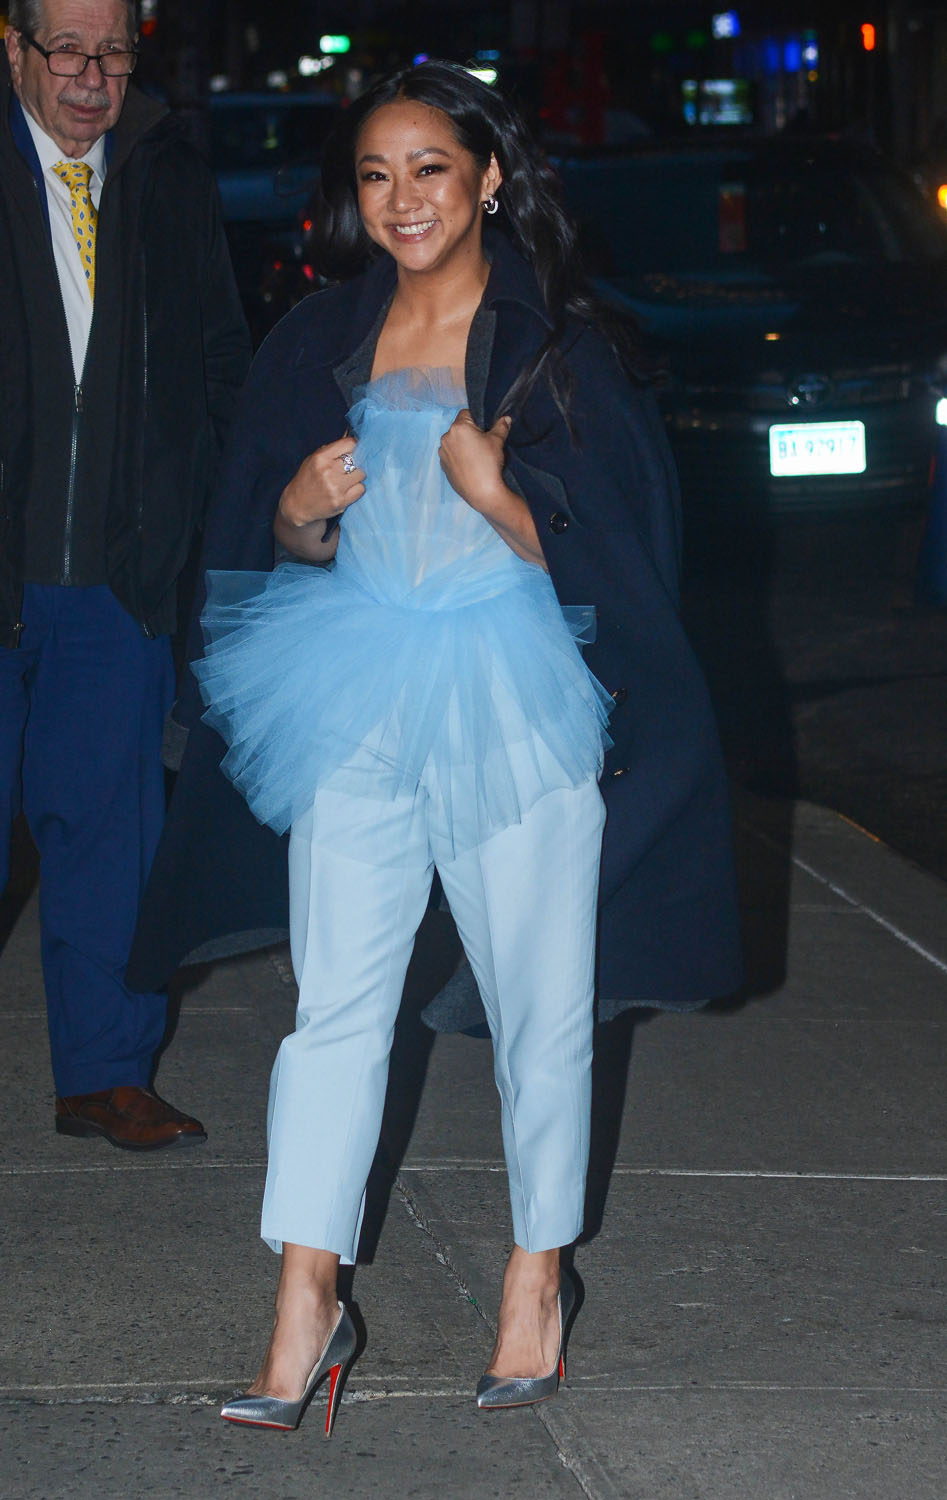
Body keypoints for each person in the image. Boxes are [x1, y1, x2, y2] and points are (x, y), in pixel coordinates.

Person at [163, 60, 742, 1434]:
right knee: (332, 1008)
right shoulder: (318, 337)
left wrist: (495, 497)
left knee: (540, 1004)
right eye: (375, 174)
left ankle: (536, 1275)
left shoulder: (554, 343)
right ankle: (305, 1298)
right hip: (353, 688)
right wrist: (299, 511)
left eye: (428, 167)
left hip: (512, 692)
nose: (401, 198)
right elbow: (272, 539)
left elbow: (619, 565)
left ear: (486, 178)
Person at [0, 0, 251, 1150]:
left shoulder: (166, 174)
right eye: (68, 50)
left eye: (113, 53)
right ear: (13, 47)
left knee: (111, 838)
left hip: (117, 584)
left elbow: (217, 357)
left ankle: (105, 1074)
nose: (92, 78)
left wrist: (209, 521)